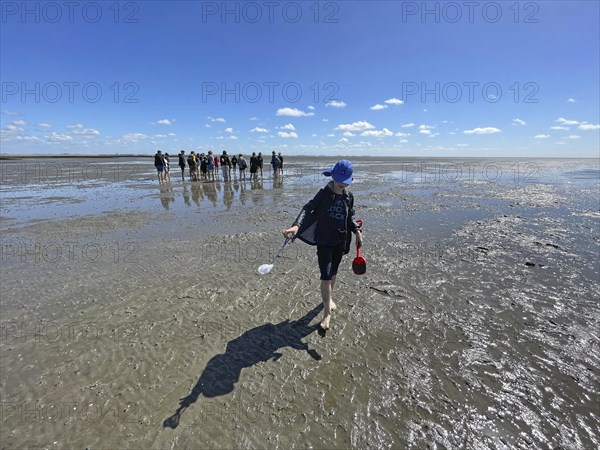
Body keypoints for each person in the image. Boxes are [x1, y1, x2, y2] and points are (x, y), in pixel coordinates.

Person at [282, 160, 363, 331]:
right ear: (332, 176)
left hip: (340, 242)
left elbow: (349, 217)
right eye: (339, 179)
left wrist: (356, 231)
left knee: (333, 273)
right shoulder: (323, 194)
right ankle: (327, 314)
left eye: (345, 180)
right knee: (325, 276)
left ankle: (329, 299)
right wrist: (297, 225)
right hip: (324, 242)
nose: (341, 183)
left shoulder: (349, 196)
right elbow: (308, 208)